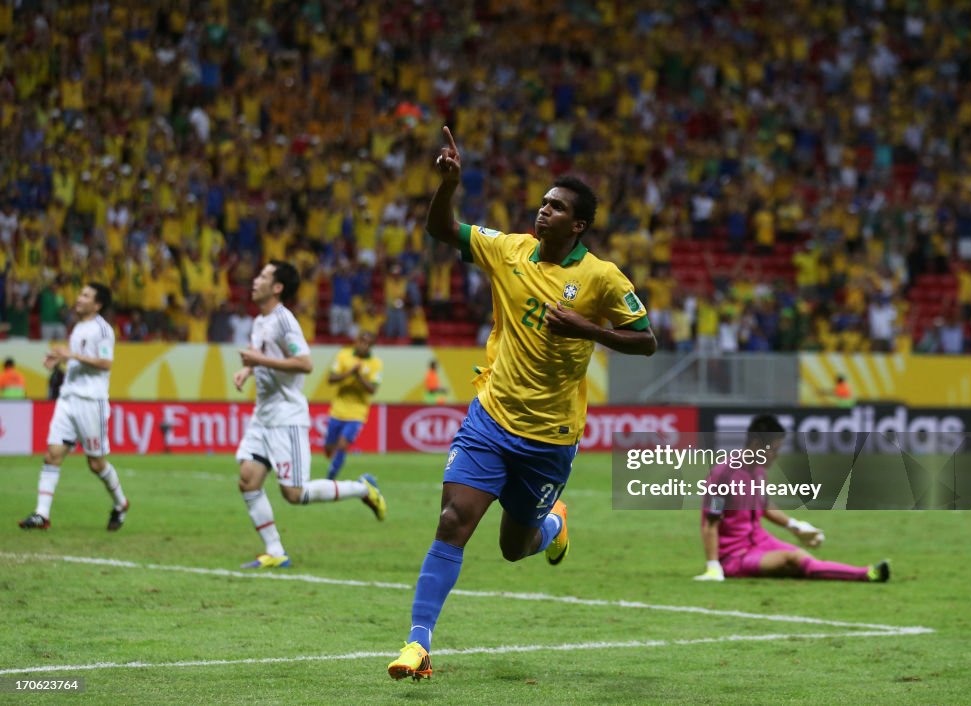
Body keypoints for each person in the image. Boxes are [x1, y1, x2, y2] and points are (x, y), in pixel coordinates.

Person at [387, 128, 657, 681]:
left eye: (556, 208)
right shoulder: (507, 248)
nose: (543, 211)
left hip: (550, 438)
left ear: (577, 225)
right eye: (543, 202)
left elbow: (646, 339)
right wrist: (449, 185)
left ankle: (554, 525)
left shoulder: (602, 278)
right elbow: (441, 229)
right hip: (490, 418)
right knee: (452, 522)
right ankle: (417, 645)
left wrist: (590, 329)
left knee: (515, 547)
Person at [233, 260, 387, 570]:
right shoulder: (260, 321)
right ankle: (275, 550)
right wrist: (248, 369)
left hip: (287, 416)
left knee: (294, 493)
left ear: (277, 287)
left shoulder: (285, 321)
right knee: (248, 480)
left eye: (263, 276)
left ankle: (362, 488)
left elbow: (304, 363)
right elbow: (264, 355)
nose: (255, 280)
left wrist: (258, 359)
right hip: (263, 414)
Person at [693, 414, 890, 583]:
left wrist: (795, 525)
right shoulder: (723, 476)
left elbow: (763, 505)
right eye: (774, 450)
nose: (776, 456)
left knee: (803, 561)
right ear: (755, 445)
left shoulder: (759, 472)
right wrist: (713, 566)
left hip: (760, 542)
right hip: (735, 557)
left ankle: (864, 573)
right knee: (795, 559)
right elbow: (711, 523)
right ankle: (866, 574)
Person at [19, 283, 129, 531]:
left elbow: (105, 363)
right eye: (80, 294)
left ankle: (121, 503)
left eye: (85, 296)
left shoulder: (103, 330)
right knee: (53, 454)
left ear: (97, 304)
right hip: (68, 398)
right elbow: (78, 361)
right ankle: (41, 514)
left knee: (96, 464)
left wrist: (71, 356)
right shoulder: (79, 327)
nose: (79, 298)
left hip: (91, 402)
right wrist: (60, 360)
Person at [324, 330, 382, 480]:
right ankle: (332, 465)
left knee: (342, 445)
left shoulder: (376, 364)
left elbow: (372, 389)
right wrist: (350, 372)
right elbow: (331, 379)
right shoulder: (344, 355)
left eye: (368, 343)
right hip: (337, 410)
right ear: (356, 341)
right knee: (329, 448)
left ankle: (330, 478)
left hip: (357, 412)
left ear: (372, 346)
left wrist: (359, 376)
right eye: (362, 341)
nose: (364, 345)